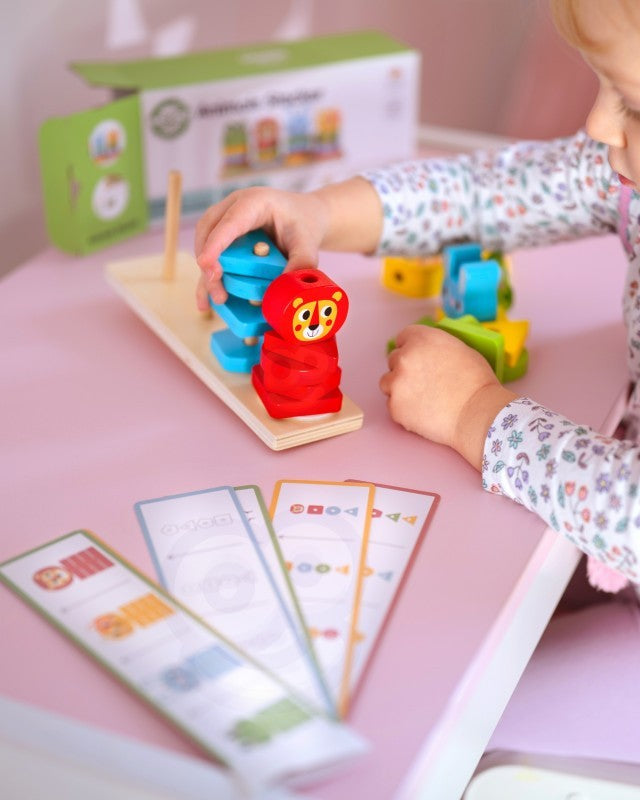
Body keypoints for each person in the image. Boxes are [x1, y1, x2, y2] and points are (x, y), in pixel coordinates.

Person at [194, 0, 640, 584]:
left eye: (630, 101)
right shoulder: (619, 168)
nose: (597, 126)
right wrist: (320, 211)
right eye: (602, 84)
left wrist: (473, 411)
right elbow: (490, 192)